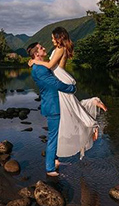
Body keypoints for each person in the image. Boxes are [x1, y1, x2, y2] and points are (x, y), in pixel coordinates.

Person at [29, 27, 107, 160]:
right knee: (70, 107)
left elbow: (49, 66)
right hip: (58, 76)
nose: (52, 39)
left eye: (53, 37)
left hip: (60, 78)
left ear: (59, 37)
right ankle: (92, 102)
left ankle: (92, 124)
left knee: (71, 109)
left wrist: (34, 61)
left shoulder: (60, 49)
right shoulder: (59, 49)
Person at [27, 42, 76, 177]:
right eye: (41, 47)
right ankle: (50, 168)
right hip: (53, 105)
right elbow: (55, 84)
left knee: (56, 135)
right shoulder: (39, 69)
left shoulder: (38, 66)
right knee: (53, 137)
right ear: (37, 54)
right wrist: (72, 88)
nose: (44, 48)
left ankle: (55, 161)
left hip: (53, 103)